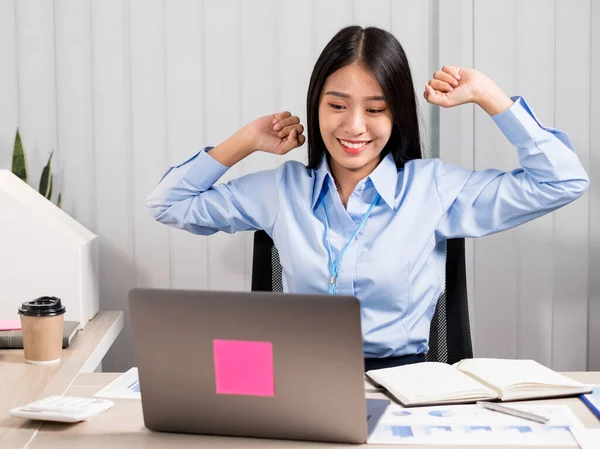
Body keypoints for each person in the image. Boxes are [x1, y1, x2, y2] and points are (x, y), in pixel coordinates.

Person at [145, 26, 588, 371]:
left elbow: (562, 180)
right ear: (316, 106)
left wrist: (488, 96)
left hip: (402, 387)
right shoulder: (281, 191)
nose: (355, 126)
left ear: (396, 116)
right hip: (300, 381)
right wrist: (244, 141)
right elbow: (167, 204)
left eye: (375, 109)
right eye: (337, 106)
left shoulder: (432, 189)